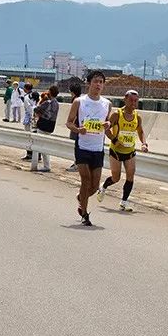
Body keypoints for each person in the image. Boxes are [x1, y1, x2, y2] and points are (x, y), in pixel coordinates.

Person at [65, 70, 112, 227]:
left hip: (98, 148)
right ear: (89, 83)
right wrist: (78, 130)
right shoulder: (79, 102)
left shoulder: (107, 104)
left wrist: (108, 124)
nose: (98, 84)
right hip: (82, 146)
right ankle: (84, 214)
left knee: (94, 186)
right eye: (95, 81)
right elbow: (69, 122)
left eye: (101, 82)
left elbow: (107, 122)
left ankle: (81, 197)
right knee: (85, 180)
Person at [99, 89, 149, 211]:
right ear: (125, 100)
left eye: (136, 101)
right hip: (116, 151)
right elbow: (107, 129)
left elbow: (141, 132)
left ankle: (124, 202)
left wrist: (144, 143)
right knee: (116, 178)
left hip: (130, 151)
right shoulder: (117, 114)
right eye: (131, 100)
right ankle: (104, 186)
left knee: (130, 176)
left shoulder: (137, 117)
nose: (133, 103)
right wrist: (114, 139)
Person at [32, 85, 61, 172]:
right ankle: (46, 165)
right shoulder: (57, 103)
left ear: (50, 92)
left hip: (43, 125)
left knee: (40, 145)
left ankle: (45, 166)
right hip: (51, 126)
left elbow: (36, 109)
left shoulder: (47, 102)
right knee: (45, 146)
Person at [66, 83, 82, 172]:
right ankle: (77, 163)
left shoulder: (76, 100)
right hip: (78, 125)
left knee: (77, 146)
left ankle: (77, 164)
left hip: (76, 125)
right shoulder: (80, 99)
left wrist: (71, 124)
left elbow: (75, 115)